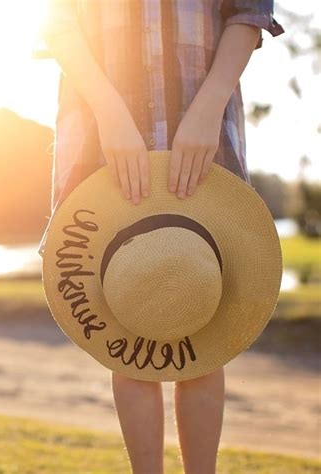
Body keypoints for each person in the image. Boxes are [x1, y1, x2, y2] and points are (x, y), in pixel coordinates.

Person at [35, 1, 284, 473]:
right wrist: (109, 112)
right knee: (128, 320)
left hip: (201, 132)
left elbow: (249, 9)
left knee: (205, 323)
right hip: (103, 133)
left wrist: (208, 109)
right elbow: (57, 20)